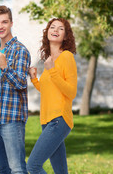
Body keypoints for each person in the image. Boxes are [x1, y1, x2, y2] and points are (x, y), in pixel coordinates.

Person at [0, 5, 31, 174]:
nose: (0, 26)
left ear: (11, 23)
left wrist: (4, 67)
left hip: (11, 116)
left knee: (17, 168)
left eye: (4, 22)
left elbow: (21, 83)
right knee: (2, 168)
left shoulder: (20, 50)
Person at [26, 18, 77, 174]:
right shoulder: (49, 61)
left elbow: (71, 92)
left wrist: (53, 71)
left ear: (66, 36)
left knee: (33, 166)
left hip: (59, 119)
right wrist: (35, 79)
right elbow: (50, 90)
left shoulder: (67, 57)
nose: (55, 30)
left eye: (60, 28)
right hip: (47, 121)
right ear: (47, 33)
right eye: (52, 27)